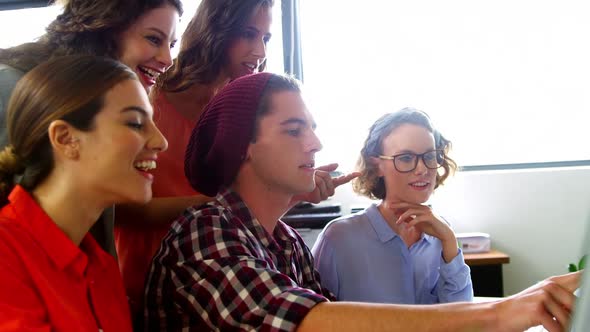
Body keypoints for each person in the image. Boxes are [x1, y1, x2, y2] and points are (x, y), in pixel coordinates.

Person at [143, 72, 581, 332]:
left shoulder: (289, 244)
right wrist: (503, 311)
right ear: (243, 146)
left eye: (312, 127)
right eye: (294, 129)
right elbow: (310, 322)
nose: (315, 142)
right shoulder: (206, 231)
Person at [115, 0, 355, 314]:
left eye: (266, 39)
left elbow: (245, 212)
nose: (260, 52)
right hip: (156, 275)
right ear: (216, 30)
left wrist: (288, 192)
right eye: (248, 34)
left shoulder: (241, 114)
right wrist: (212, 205)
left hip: (229, 270)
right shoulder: (150, 101)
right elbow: (119, 209)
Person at [0, 0, 182, 255]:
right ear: (104, 29)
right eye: (154, 39)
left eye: (172, 45)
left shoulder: (99, 99)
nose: (168, 59)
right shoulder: (14, 88)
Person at [0, 55, 167, 331]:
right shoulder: (7, 255)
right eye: (136, 123)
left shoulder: (100, 265)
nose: (161, 141)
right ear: (66, 139)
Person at [312, 108, 473, 304]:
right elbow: (313, 317)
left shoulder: (440, 234)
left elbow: (462, 317)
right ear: (377, 165)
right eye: (405, 158)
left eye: (430, 156)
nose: (422, 169)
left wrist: (449, 241)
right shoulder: (338, 238)